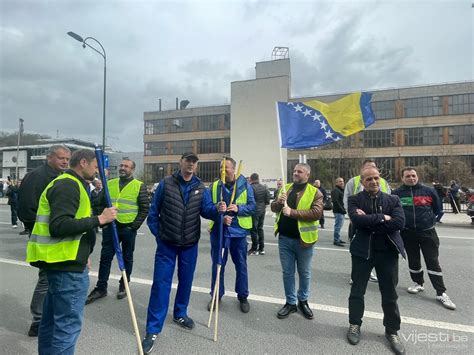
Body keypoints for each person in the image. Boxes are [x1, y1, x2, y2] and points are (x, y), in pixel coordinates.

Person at [25, 149, 117, 355]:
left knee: (51, 325)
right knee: (66, 329)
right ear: (83, 162)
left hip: (65, 262)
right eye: (95, 165)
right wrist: (100, 219)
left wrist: (82, 254)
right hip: (66, 268)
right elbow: (59, 226)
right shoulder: (68, 185)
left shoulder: (69, 183)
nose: (97, 170)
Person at [142, 152, 217, 354]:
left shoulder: (201, 187)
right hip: (167, 244)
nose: (191, 164)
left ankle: (180, 313)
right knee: (161, 284)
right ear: (181, 162)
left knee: (186, 281)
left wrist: (218, 209)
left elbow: (207, 210)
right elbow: (153, 212)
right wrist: (159, 234)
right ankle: (152, 329)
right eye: (188, 161)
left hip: (189, 244)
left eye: (194, 162)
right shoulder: (166, 183)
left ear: (196, 165)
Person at [346, 166, 406, 355]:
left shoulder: (392, 199)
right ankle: (355, 324)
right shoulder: (354, 199)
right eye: (369, 179)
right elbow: (357, 221)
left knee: (390, 294)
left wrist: (371, 221)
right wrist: (382, 218)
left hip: (387, 253)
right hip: (362, 252)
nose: (373, 181)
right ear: (362, 182)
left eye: (376, 178)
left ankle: (392, 331)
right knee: (357, 291)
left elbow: (398, 223)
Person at [17, 144, 71, 337]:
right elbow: (25, 209)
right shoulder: (38, 176)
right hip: (45, 236)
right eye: (61, 158)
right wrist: (38, 229)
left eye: (67, 158)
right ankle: (38, 321)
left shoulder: (59, 177)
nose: (65, 161)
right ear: (49, 158)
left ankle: (45, 317)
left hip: (54, 235)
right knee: (46, 278)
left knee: (53, 277)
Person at [86, 159, 149, 303]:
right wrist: (103, 222)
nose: (122, 168)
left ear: (132, 169)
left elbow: (145, 208)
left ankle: (123, 285)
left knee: (127, 258)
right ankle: (101, 287)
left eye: (126, 166)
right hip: (110, 226)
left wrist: (133, 226)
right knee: (105, 257)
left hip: (128, 228)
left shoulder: (139, 186)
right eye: (121, 165)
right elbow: (99, 204)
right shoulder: (110, 183)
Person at [393, 167, 456, 310]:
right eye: (407, 176)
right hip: (407, 233)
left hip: (427, 233)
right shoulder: (396, 194)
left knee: (432, 261)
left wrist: (427, 221)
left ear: (417, 176)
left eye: (413, 175)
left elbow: (437, 209)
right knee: (414, 260)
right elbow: (395, 211)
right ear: (402, 178)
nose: (411, 178)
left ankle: (441, 292)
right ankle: (418, 283)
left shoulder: (429, 191)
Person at [271, 163, 323, 320]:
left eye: (299, 171)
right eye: (294, 171)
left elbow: (316, 213)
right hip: (285, 239)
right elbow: (274, 208)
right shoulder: (286, 188)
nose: (295, 173)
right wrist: (279, 203)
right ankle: (290, 302)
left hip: (304, 241)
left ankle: (303, 301)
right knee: (287, 272)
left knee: (304, 273)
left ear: (307, 175)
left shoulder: (315, 192)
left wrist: (292, 212)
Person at [207, 157, 256, 313]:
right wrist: (219, 214)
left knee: (241, 265)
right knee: (217, 265)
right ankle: (216, 295)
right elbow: (207, 207)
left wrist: (238, 209)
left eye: (226, 167)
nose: (223, 170)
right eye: (221, 167)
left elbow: (253, 206)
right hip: (219, 232)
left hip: (239, 233)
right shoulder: (215, 186)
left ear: (234, 169)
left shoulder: (245, 185)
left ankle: (242, 296)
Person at [344, 159, 391, 283]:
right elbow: (346, 199)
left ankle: (370, 272)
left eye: (374, 167)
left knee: (376, 248)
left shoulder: (383, 182)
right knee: (357, 249)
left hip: (379, 223)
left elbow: (389, 200)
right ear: (362, 169)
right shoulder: (353, 182)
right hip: (358, 222)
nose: (371, 168)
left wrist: (382, 216)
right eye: (368, 167)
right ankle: (356, 274)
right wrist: (353, 214)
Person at [248, 173, 271, 255]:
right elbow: (268, 200)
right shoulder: (264, 187)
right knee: (260, 229)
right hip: (262, 209)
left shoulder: (250, 187)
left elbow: (249, 200)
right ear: (258, 178)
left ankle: (254, 248)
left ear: (251, 179)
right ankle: (261, 248)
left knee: (253, 229)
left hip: (254, 210)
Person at [331, 177, 346, 247]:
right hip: (338, 211)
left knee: (339, 226)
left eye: (342, 181)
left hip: (341, 211)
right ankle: (336, 240)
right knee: (337, 226)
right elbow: (335, 201)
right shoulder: (335, 190)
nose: (342, 182)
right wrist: (342, 210)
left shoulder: (340, 190)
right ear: (336, 183)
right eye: (340, 181)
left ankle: (338, 238)